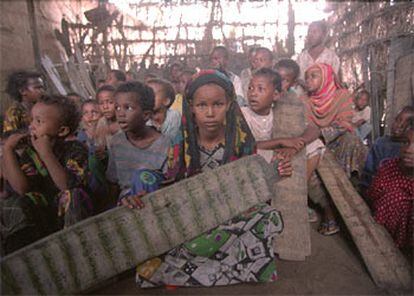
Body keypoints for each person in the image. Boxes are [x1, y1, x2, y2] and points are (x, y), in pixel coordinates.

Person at [130, 70, 291, 287]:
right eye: (201, 105)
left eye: (218, 104)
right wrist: (142, 191)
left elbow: (253, 184)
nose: (210, 113)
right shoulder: (181, 141)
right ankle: (234, 269)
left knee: (268, 216)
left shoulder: (240, 139)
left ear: (229, 105)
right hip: (190, 217)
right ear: (191, 107)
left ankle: (178, 271)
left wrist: (275, 171)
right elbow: (168, 180)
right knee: (144, 177)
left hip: (229, 215)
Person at [1, 95, 92, 254]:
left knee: (73, 194)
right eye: (32, 121)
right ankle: (25, 260)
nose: (32, 126)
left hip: (71, 216)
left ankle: (78, 253)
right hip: (44, 218)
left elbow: (67, 186)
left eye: (39, 121)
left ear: (62, 130)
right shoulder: (30, 152)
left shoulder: (75, 149)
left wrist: (46, 153)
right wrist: (8, 151)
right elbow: (22, 189)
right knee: (17, 202)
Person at [305, 63, 367, 235]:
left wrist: (321, 132)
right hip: (315, 144)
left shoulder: (342, 96)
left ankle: (350, 204)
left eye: (314, 76)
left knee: (351, 140)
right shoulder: (305, 100)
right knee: (311, 158)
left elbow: (344, 124)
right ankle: (329, 211)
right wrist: (316, 136)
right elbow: (305, 129)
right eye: (307, 76)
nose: (308, 80)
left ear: (327, 78)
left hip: (337, 144)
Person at [106, 81, 170, 205]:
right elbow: (112, 183)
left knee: (143, 176)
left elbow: (169, 183)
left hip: (156, 203)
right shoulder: (116, 142)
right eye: (117, 107)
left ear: (146, 115)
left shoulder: (165, 144)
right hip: (125, 205)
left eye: (128, 108)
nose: (120, 113)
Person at [242, 68, 307, 162]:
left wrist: (295, 144)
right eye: (250, 88)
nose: (253, 93)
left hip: (271, 153)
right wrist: (281, 141)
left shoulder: (278, 112)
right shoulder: (242, 115)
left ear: (275, 95)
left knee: (315, 145)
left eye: (260, 89)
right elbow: (244, 147)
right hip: (248, 158)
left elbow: (312, 129)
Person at [367, 125, 414, 250]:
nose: (408, 149)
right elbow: (372, 196)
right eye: (406, 142)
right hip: (385, 235)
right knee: (395, 198)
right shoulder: (388, 168)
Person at [360, 106, 414, 194]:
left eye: (407, 123)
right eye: (398, 120)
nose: (399, 125)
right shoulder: (381, 143)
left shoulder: (409, 151)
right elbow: (368, 173)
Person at [76, 100, 109, 212]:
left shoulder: (107, 130)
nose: (90, 116)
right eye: (86, 113)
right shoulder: (81, 137)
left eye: (94, 112)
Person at [3, 70, 45, 136]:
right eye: (37, 88)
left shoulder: (44, 108)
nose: (42, 91)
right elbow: (9, 136)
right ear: (23, 91)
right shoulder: (14, 112)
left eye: (42, 87)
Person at [95, 85, 120, 151]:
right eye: (101, 103)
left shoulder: (125, 121)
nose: (105, 107)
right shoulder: (101, 123)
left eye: (110, 102)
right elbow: (100, 146)